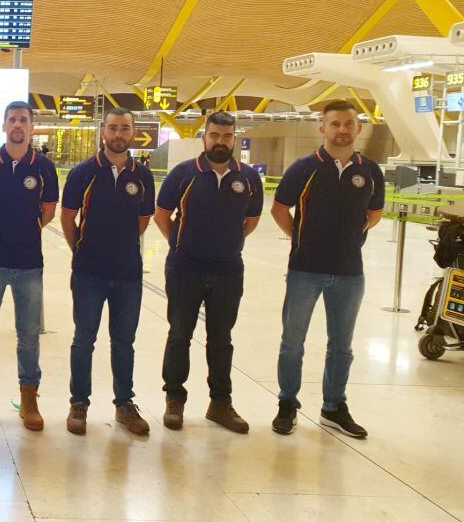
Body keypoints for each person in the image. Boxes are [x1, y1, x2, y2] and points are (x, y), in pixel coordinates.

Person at [270, 100, 384, 438]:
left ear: (358, 128)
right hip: (306, 269)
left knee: (342, 346)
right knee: (292, 341)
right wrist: (300, 237)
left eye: (349, 123)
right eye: (335, 123)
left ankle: (334, 406)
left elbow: (375, 213)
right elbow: (279, 209)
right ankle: (287, 403)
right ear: (322, 128)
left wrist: (351, 238)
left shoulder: (371, 171)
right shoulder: (304, 168)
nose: (342, 130)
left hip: (350, 273)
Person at [154, 111, 262, 434]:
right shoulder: (184, 174)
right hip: (185, 268)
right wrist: (180, 244)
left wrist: (228, 244)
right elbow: (162, 215)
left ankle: (220, 403)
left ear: (234, 139)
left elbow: (251, 221)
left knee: (221, 338)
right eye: (214, 136)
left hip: (228, 270)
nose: (220, 142)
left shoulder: (248, 178)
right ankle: (174, 399)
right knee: (179, 334)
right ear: (204, 138)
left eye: (227, 137)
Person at [60, 107, 156, 436]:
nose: (118, 134)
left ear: (132, 133)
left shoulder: (142, 176)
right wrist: (83, 251)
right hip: (89, 272)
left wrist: (121, 246)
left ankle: (124, 405)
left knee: (123, 342)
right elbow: (67, 219)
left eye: (124, 129)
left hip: (128, 274)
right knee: (84, 339)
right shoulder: (83, 173)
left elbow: (143, 221)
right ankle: (79, 403)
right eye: (113, 128)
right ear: (103, 131)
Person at [0, 101, 58, 432]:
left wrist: (26, 233)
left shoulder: (44, 168)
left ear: (32, 128)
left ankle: (29, 400)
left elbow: (48, 211)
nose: (18, 125)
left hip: (29, 264)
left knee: (29, 335)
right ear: (4, 126)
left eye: (23, 120)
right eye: (12, 120)